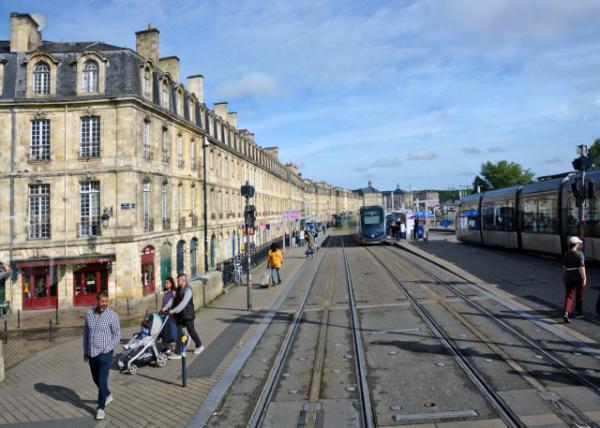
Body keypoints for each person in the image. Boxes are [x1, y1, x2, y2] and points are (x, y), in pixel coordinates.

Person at [83, 291, 121, 421]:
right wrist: (85, 350)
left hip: (105, 353)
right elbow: (86, 333)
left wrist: (108, 348)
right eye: (102, 301)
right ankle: (108, 394)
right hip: (91, 352)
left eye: (106, 301)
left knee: (102, 380)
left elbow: (117, 335)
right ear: (97, 300)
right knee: (96, 379)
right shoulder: (89, 314)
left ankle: (100, 407)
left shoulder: (112, 315)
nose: (104, 304)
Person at [164, 273, 204, 359]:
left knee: (191, 331)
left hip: (187, 314)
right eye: (177, 281)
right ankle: (178, 352)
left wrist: (172, 311)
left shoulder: (188, 290)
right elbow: (172, 299)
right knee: (178, 332)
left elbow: (183, 304)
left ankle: (199, 346)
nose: (177, 282)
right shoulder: (178, 289)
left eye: (178, 281)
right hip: (180, 316)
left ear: (183, 280)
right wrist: (165, 307)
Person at [562, 236, 587, 323]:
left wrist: (566, 275)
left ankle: (566, 312)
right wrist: (584, 278)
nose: (579, 244)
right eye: (578, 243)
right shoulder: (580, 254)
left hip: (568, 276)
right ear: (576, 244)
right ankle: (579, 313)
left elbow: (564, 267)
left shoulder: (566, 254)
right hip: (578, 276)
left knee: (569, 296)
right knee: (579, 295)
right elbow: (582, 267)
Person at [160, 277, 178, 354]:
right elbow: (164, 303)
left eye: (167, 283)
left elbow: (173, 302)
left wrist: (167, 309)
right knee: (164, 330)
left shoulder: (173, 292)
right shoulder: (166, 292)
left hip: (171, 314)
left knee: (170, 331)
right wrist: (161, 310)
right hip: (164, 313)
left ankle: (171, 347)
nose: (166, 284)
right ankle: (165, 346)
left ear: (171, 284)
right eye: (165, 283)